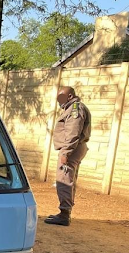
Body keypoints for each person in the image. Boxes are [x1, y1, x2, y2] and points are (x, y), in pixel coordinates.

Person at [45, 86, 91, 226]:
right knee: (69, 179)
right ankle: (65, 212)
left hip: (71, 150)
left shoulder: (75, 109)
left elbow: (72, 133)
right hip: (74, 149)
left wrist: (65, 152)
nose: (60, 101)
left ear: (70, 96)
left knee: (64, 180)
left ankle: (64, 214)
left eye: (62, 97)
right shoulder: (73, 108)